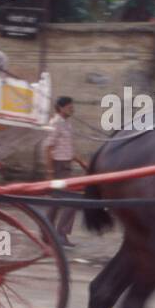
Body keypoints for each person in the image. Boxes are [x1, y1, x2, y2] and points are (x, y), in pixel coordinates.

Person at [42, 96, 86, 247]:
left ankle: (46, 233)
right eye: (69, 107)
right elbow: (48, 147)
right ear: (60, 108)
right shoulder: (56, 123)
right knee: (72, 200)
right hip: (58, 167)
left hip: (66, 165)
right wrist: (50, 171)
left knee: (56, 202)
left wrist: (81, 162)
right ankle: (61, 234)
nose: (72, 109)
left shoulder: (67, 124)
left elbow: (67, 149)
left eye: (72, 106)